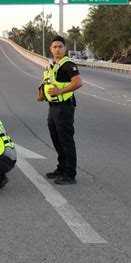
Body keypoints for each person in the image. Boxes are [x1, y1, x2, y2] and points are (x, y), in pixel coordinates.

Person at [41, 36, 83, 185]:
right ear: (51, 49)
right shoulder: (54, 66)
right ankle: (61, 167)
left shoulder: (68, 64)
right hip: (53, 107)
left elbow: (78, 83)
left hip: (64, 107)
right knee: (56, 139)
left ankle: (70, 174)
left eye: (60, 46)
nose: (57, 49)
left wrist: (60, 91)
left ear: (65, 48)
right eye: (55, 47)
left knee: (66, 140)